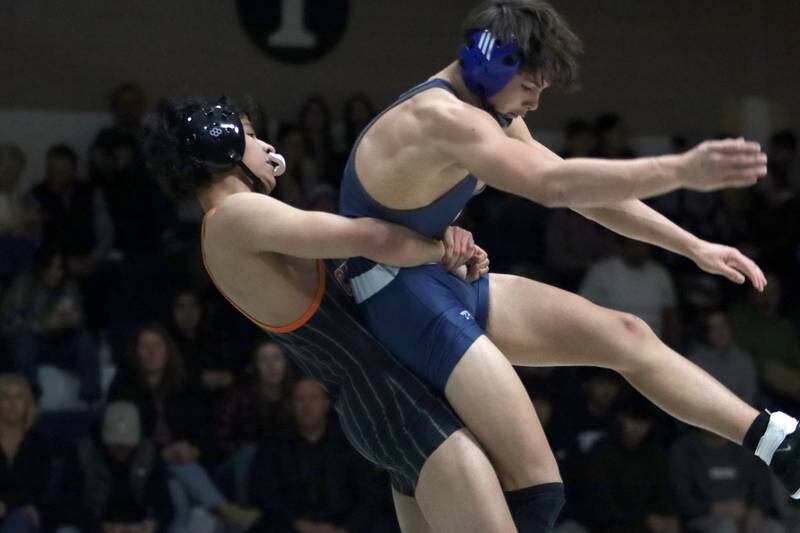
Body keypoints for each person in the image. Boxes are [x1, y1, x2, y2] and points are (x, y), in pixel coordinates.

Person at [337, 0, 800, 527]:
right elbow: (552, 188)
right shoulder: (444, 118)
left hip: (434, 280)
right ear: (490, 64)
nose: (535, 103)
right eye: (530, 87)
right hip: (394, 297)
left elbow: (584, 194)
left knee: (627, 335)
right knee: (535, 488)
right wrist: (679, 169)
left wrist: (692, 245)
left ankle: (776, 440)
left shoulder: (490, 112)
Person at [144, 97, 519, 533]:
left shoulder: (232, 230)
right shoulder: (234, 216)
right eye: (250, 135)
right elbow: (368, 238)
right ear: (219, 142)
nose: (268, 149)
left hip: (381, 407)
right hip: (394, 403)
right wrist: (441, 250)